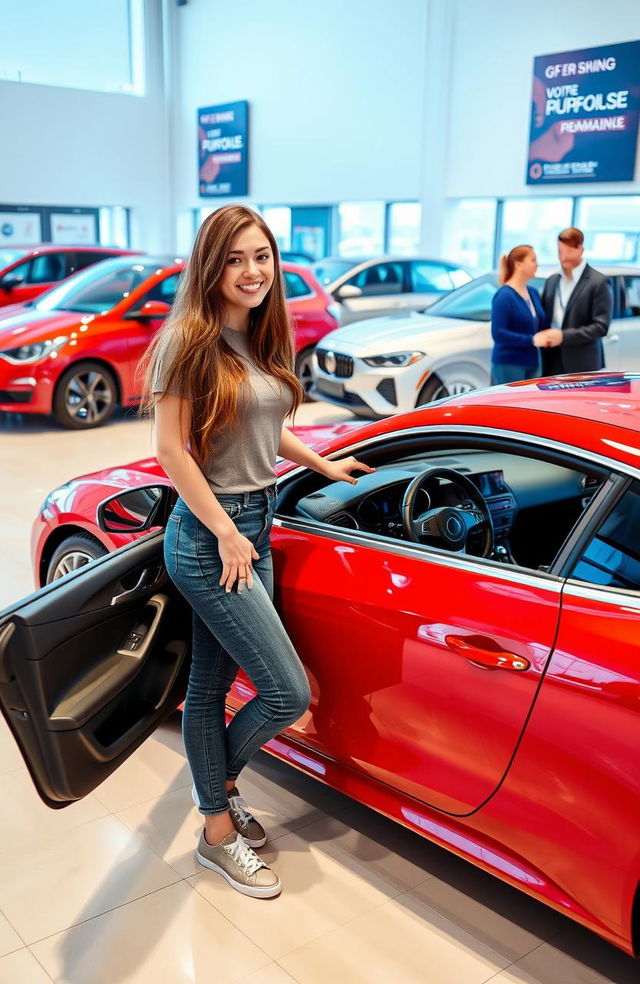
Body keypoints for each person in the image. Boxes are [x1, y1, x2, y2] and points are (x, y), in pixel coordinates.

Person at [142, 204, 373, 899]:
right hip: (213, 535)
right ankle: (217, 819)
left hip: (254, 526)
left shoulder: (255, 335)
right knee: (285, 690)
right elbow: (168, 451)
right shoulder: (188, 337)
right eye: (237, 259)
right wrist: (224, 531)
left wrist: (325, 464)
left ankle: (217, 801)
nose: (252, 272)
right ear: (212, 266)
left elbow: (264, 428)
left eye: (262, 257)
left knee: (210, 691)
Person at [534, 227, 612, 374]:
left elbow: (600, 327)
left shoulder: (598, 282)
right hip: (550, 361)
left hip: (582, 363)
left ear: (581, 250)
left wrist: (563, 336)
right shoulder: (552, 281)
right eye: (560, 252)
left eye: (569, 252)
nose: (563, 258)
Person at [490, 244, 545, 384]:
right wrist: (531, 340)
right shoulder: (504, 295)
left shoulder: (533, 292)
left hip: (532, 362)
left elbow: (539, 325)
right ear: (519, 264)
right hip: (509, 364)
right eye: (533, 260)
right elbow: (498, 333)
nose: (537, 264)